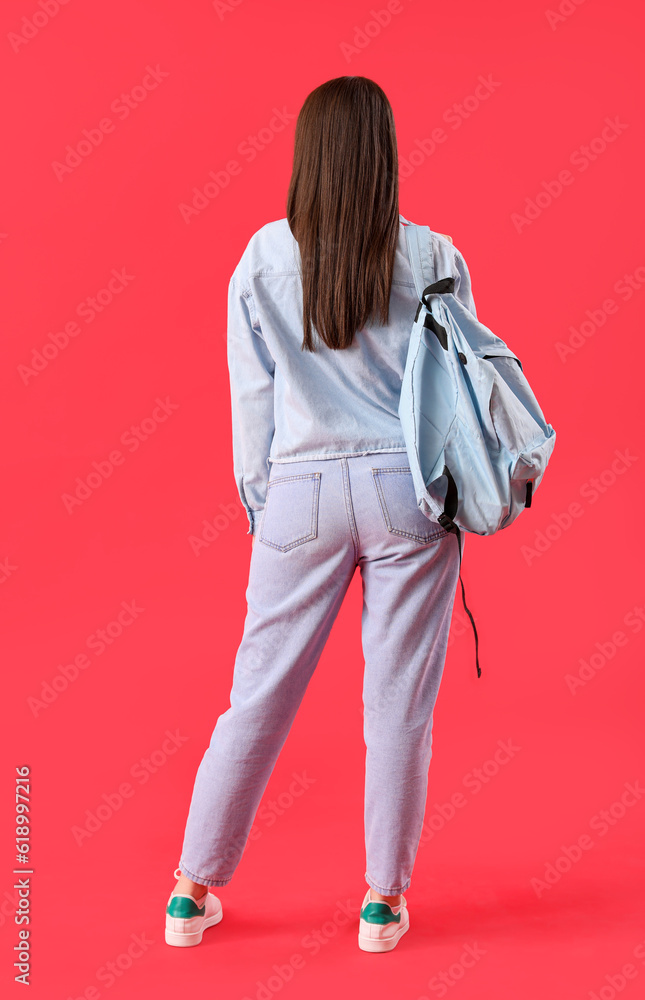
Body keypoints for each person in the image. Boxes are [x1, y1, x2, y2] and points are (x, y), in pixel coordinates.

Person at [165, 75, 477, 953]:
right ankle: (382, 905)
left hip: (298, 488)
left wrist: (266, 510)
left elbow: (251, 408)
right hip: (405, 491)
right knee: (398, 707)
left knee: (255, 697)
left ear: (306, 155)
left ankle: (190, 892)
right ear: (384, 154)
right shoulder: (434, 255)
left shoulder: (261, 257)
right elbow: (458, 391)